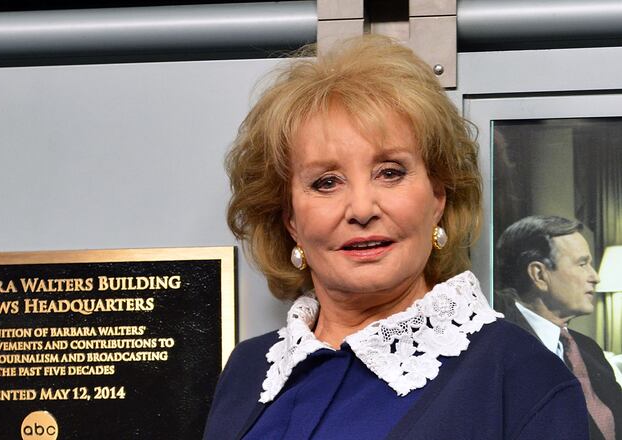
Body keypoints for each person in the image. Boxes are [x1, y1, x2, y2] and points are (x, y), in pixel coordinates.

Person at [203, 36, 588, 440]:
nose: (362, 208)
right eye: (326, 181)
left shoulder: (523, 378)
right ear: (291, 220)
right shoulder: (249, 370)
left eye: (390, 172)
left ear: (438, 197)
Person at [495, 215, 622, 439]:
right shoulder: (500, 348)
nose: (595, 277)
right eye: (583, 264)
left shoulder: (589, 349)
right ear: (539, 275)